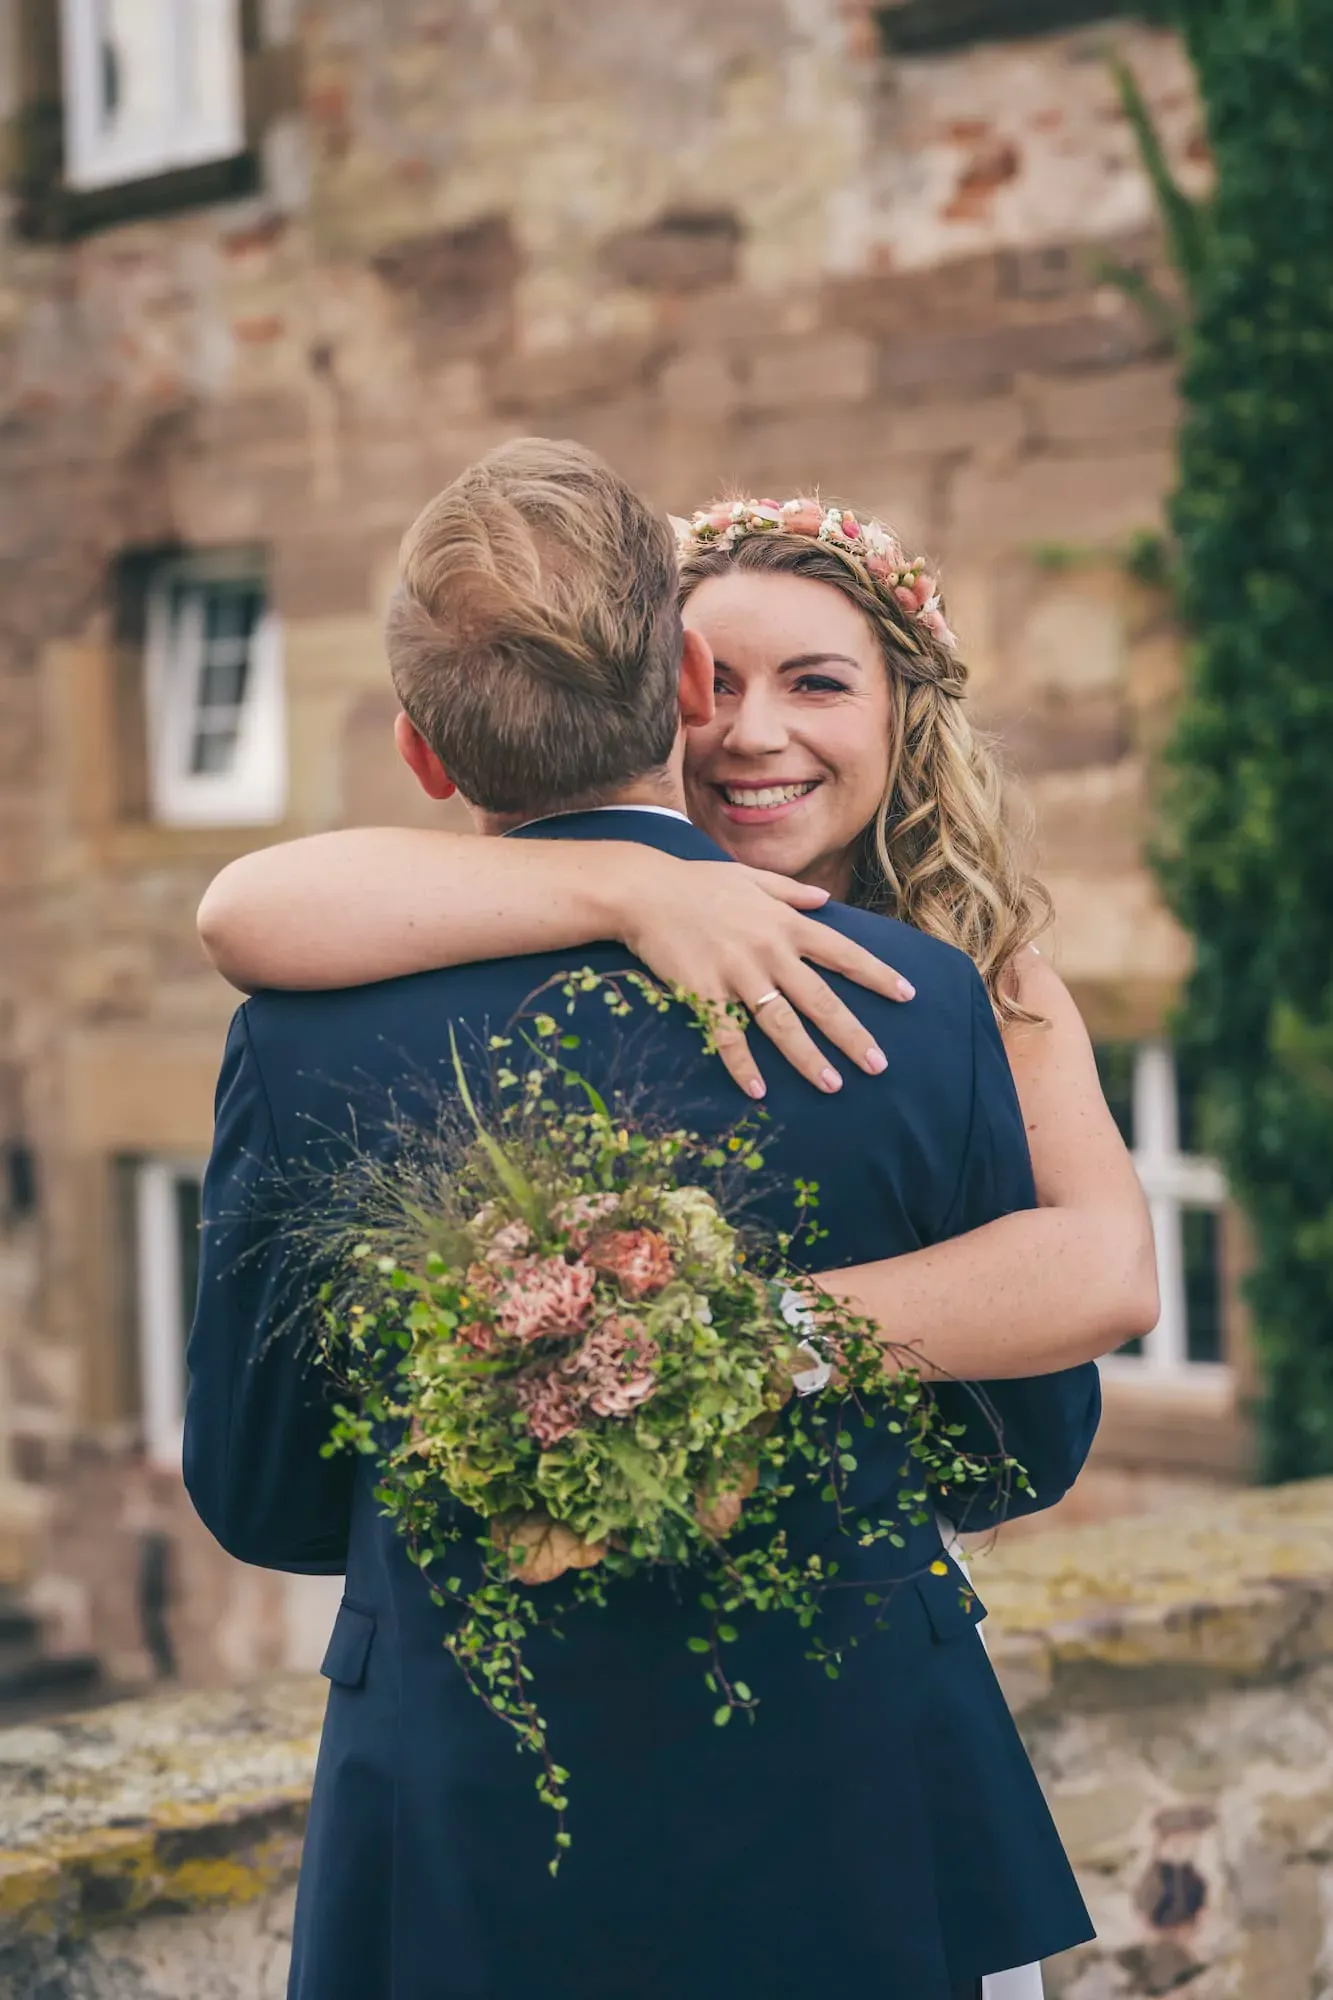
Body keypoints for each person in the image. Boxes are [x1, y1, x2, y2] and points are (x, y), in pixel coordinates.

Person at [185, 440, 1114, 2000]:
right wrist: (628, 891)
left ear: (425, 748)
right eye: (731, 683)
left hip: (470, 1811)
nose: (756, 733)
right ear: (677, 677)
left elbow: (264, 1491)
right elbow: (1024, 1444)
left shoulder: (302, 1032)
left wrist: (734, 1347)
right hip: (856, 1792)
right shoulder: (924, 1009)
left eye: (817, 684)